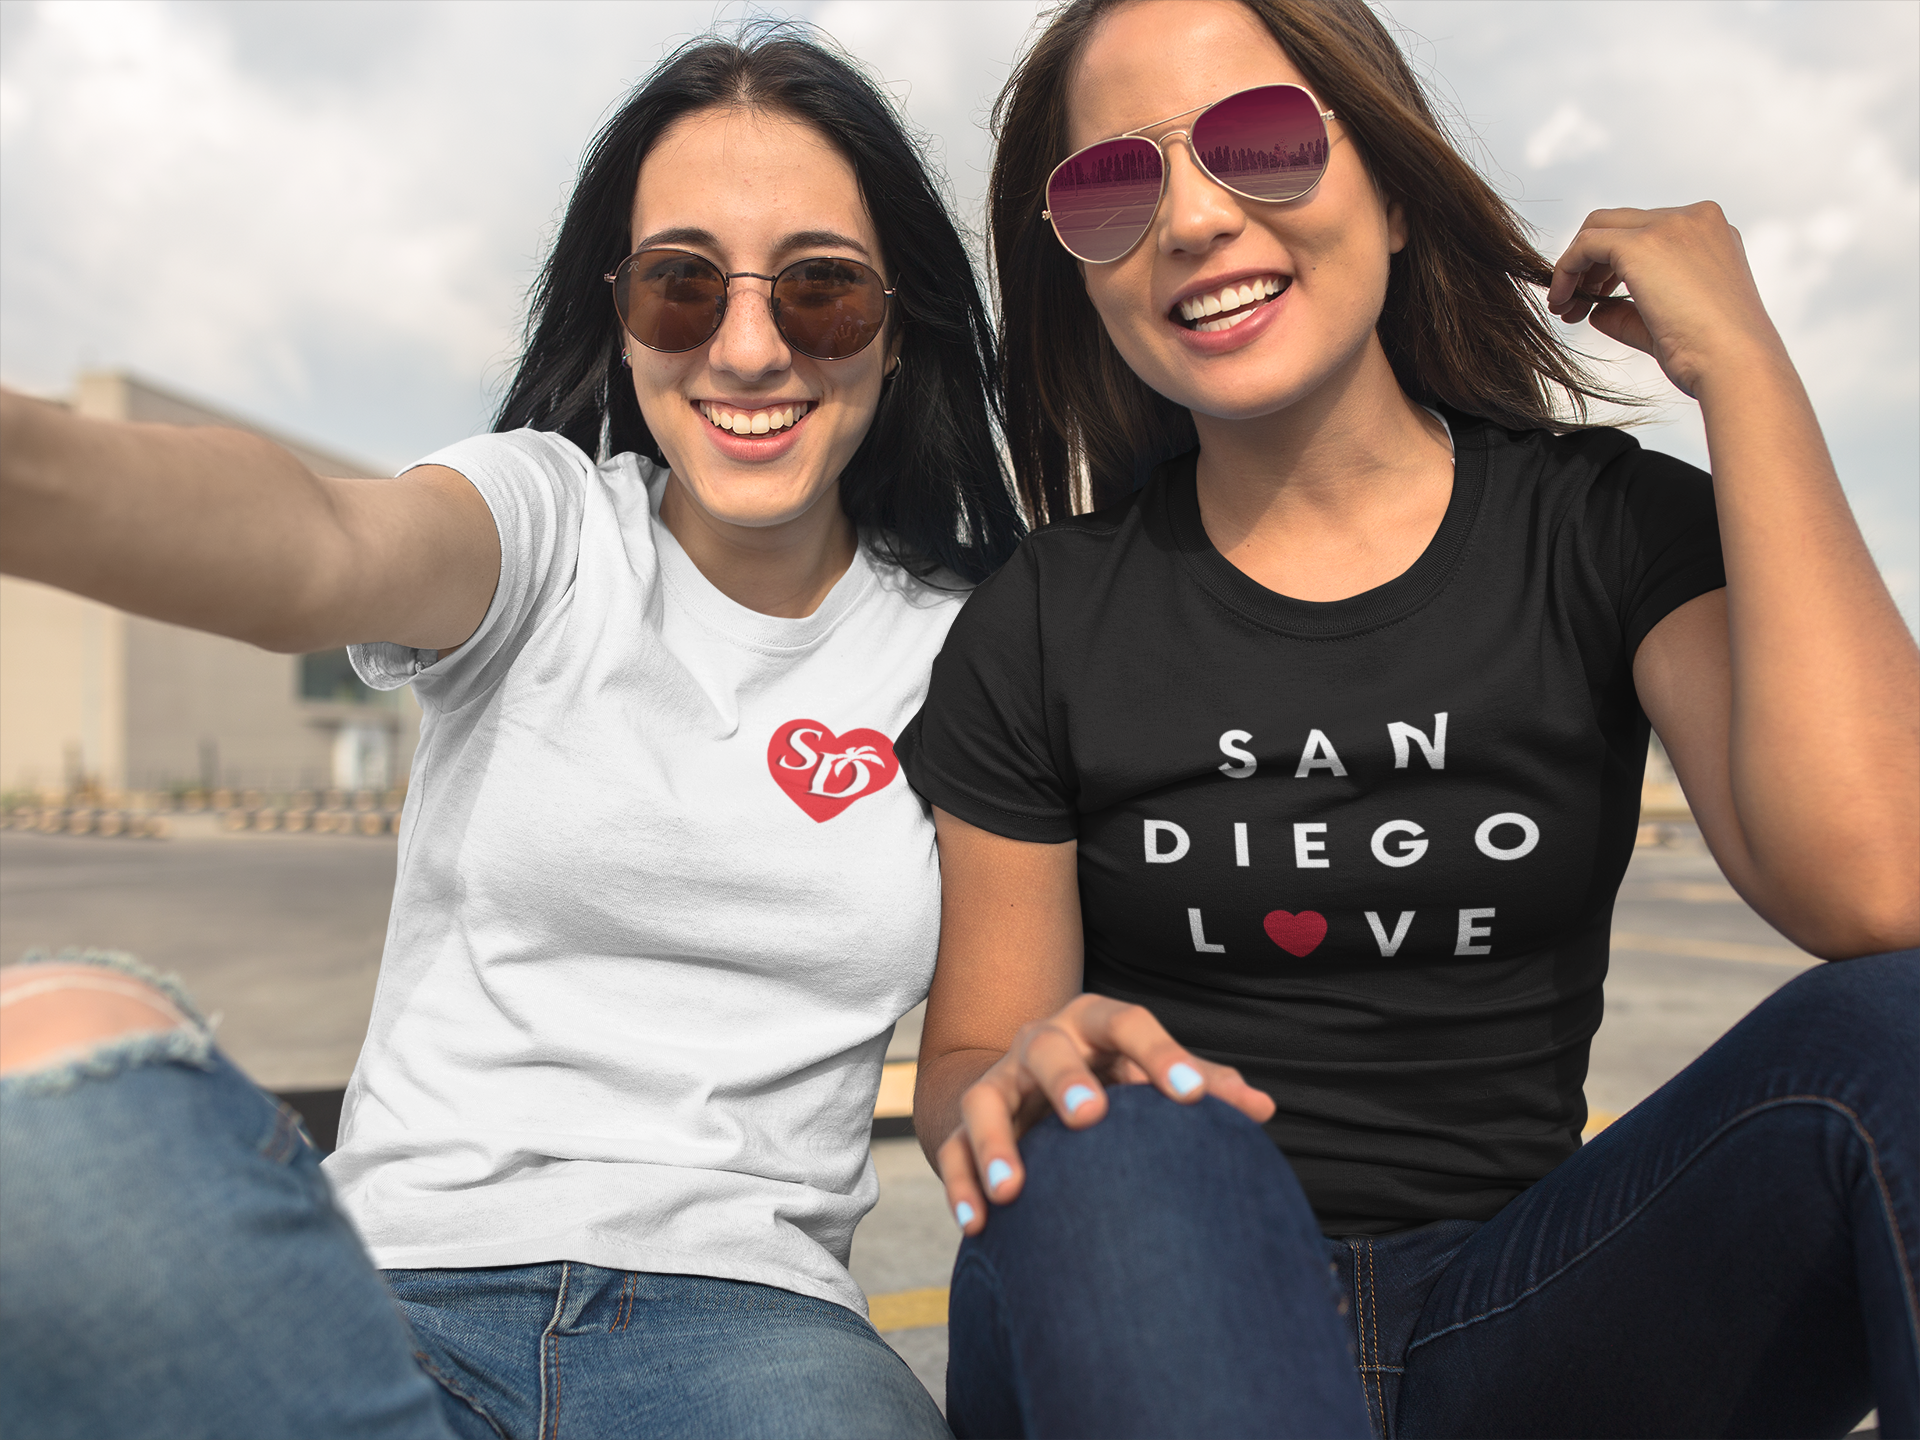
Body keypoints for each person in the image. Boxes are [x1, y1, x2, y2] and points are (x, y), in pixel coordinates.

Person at [897, 2, 1920, 1437]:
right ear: (1081, 271)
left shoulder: (1601, 531)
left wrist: (1744, 370)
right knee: (1112, 1131)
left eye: (1259, 142)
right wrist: (1018, 1082)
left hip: (1524, 1316)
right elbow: (970, 1063)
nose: (1191, 218)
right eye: (1114, 185)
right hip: (1161, 1291)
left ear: (1389, 189)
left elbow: (1884, 890)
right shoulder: (1045, 619)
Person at [0, 26, 1019, 1440]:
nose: (747, 343)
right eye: (681, 286)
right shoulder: (547, 524)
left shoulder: (970, 645)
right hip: (401, 1288)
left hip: (755, 1335)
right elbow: (313, 541)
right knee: (53, 1067)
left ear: (899, 324)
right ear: (620, 316)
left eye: (821, 291)